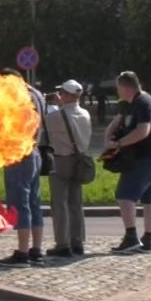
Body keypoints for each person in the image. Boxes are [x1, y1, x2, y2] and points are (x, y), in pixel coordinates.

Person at [103, 71, 151, 254]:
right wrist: (108, 139)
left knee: (124, 195)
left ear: (125, 87)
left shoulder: (144, 103)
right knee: (149, 199)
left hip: (147, 158)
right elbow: (116, 123)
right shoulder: (129, 104)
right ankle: (147, 241)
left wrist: (118, 144)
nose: (117, 91)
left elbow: (143, 131)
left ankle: (131, 238)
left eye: (118, 87)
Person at [0, 71, 48, 267]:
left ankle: (22, 253)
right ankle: (36, 250)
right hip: (34, 152)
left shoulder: (19, 97)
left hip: (19, 154)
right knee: (34, 202)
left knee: (20, 203)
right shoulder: (37, 94)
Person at [44, 79, 92, 258]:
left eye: (61, 93)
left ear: (65, 95)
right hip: (79, 160)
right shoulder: (85, 113)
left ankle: (63, 244)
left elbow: (43, 126)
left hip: (61, 160)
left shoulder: (56, 116)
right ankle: (77, 241)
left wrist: (54, 105)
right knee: (75, 203)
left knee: (59, 203)